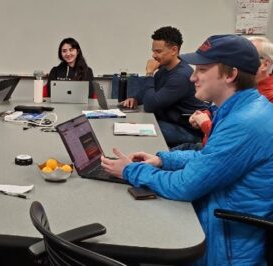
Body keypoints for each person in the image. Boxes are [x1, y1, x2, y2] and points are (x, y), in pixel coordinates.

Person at [101, 35, 273, 264]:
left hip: (223, 247)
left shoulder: (245, 123)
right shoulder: (241, 109)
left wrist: (130, 171)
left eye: (201, 70)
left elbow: (185, 186)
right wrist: (163, 160)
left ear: (231, 74)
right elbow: (209, 156)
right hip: (213, 220)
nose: (192, 77)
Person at [174, 36, 273, 151]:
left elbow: (234, 137)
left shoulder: (266, 100)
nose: (193, 77)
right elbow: (217, 109)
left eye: (251, 56)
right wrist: (203, 113)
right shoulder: (240, 91)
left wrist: (205, 123)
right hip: (208, 146)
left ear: (265, 64)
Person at [120, 26, 208, 147]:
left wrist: (149, 73)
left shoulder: (181, 76)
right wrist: (135, 98)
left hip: (188, 131)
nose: (153, 55)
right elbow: (148, 91)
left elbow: (150, 105)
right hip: (170, 122)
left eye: (158, 51)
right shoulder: (164, 70)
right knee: (136, 125)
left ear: (173, 50)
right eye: (153, 51)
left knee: (139, 128)